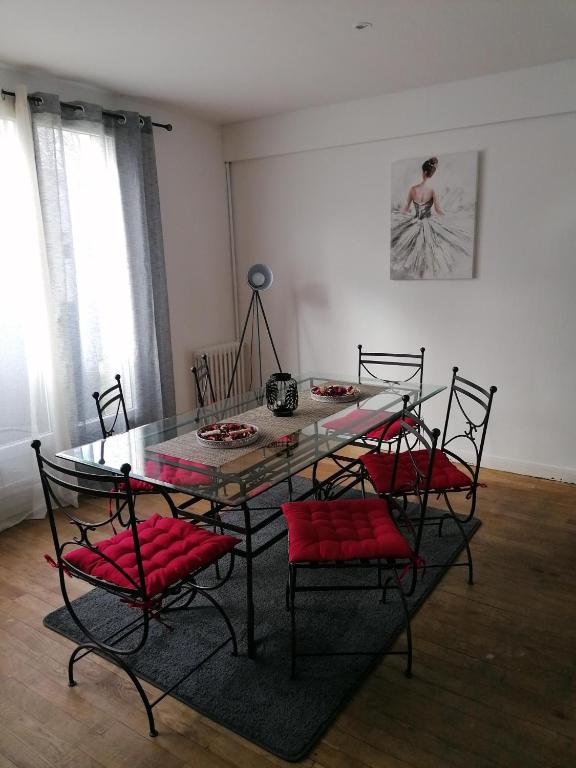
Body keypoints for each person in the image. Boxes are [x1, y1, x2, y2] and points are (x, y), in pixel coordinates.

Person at [390, 156, 473, 279]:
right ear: (431, 174)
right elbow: (439, 210)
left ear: (423, 172)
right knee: (427, 254)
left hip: (414, 222)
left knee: (415, 253)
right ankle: (422, 278)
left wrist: (397, 216)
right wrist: (448, 215)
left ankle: (418, 278)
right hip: (429, 224)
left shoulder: (413, 189)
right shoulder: (432, 190)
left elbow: (406, 208)